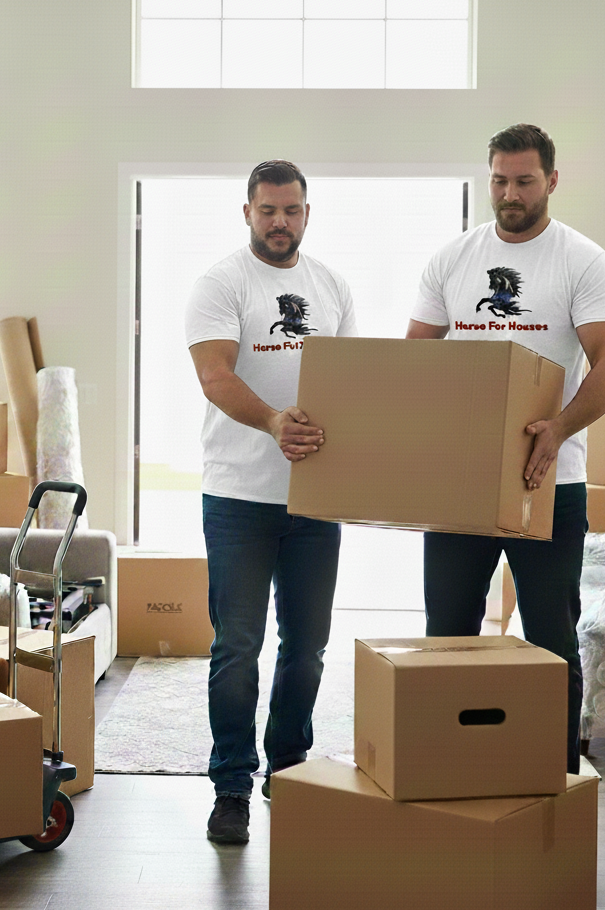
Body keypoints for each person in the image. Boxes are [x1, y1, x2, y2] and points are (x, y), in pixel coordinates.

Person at [406, 124, 605, 775]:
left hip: (548, 483)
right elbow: (412, 362)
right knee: (448, 634)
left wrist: (559, 427)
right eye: (499, 180)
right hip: (459, 487)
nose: (509, 193)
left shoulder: (581, 260)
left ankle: (554, 777)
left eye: (524, 180)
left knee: (550, 639)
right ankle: (450, 766)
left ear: (552, 181)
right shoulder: (452, 260)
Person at [185, 160, 357, 844]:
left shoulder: (333, 286)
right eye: (267, 210)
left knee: (308, 647)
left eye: (291, 209)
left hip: (317, 500)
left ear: (307, 213)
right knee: (236, 646)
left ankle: (289, 767)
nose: (279, 221)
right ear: (248, 212)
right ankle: (231, 784)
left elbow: (352, 384)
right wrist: (272, 421)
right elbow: (213, 373)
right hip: (239, 497)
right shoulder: (222, 282)